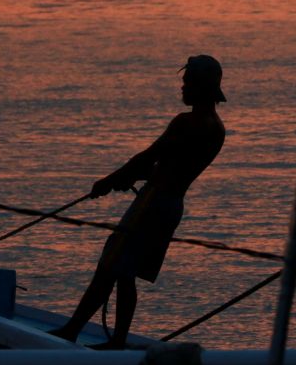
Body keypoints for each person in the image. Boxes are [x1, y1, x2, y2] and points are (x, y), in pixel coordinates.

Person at [50, 55, 227, 349]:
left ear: (199, 85)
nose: (182, 88)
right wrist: (139, 175)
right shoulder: (217, 128)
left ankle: (73, 330)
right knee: (124, 271)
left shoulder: (188, 122)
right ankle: (114, 339)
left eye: (186, 83)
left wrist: (108, 181)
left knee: (111, 265)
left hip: (153, 203)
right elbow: (174, 164)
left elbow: (149, 156)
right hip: (171, 205)